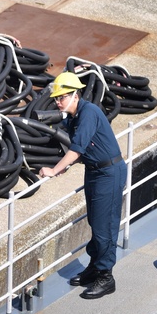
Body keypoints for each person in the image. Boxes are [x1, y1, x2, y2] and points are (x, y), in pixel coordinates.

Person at [39, 72, 128, 300]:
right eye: (56, 98)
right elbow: (85, 149)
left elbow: (77, 148)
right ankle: (95, 267)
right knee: (94, 221)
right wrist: (70, 164)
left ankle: (106, 277)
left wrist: (55, 169)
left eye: (62, 97)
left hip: (109, 172)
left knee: (104, 225)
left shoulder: (88, 113)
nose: (58, 102)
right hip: (95, 171)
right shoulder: (73, 118)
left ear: (75, 95)